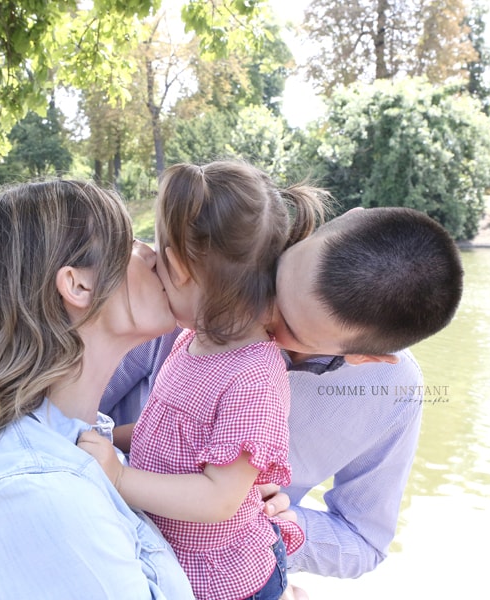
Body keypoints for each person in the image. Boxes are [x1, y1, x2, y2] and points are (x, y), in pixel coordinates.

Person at [100, 203, 464, 578]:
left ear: (366, 357)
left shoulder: (393, 393)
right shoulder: (213, 280)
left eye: (288, 324)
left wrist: (278, 528)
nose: (259, 307)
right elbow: (59, 415)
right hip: (103, 525)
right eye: (276, 276)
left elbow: (364, 542)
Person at [0, 179, 196, 599]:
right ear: (78, 285)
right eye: (129, 241)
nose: (153, 254)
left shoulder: (80, 445)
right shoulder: (40, 489)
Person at [78, 161, 328, 600]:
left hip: (226, 584)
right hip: (172, 559)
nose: (149, 260)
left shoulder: (254, 375)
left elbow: (219, 498)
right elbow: (169, 432)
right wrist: (105, 439)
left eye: (157, 252)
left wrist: (117, 477)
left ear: (178, 267)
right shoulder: (192, 341)